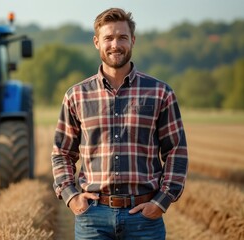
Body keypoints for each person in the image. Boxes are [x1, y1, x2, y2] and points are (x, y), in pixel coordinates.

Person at [51, 8, 188, 239]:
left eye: (122, 37)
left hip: (144, 219)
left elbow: (176, 151)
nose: (116, 44)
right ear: (97, 42)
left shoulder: (160, 93)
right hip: (92, 218)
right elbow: (62, 152)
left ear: (132, 40)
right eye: (108, 38)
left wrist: (162, 201)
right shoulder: (76, 96)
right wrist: (71, 196)